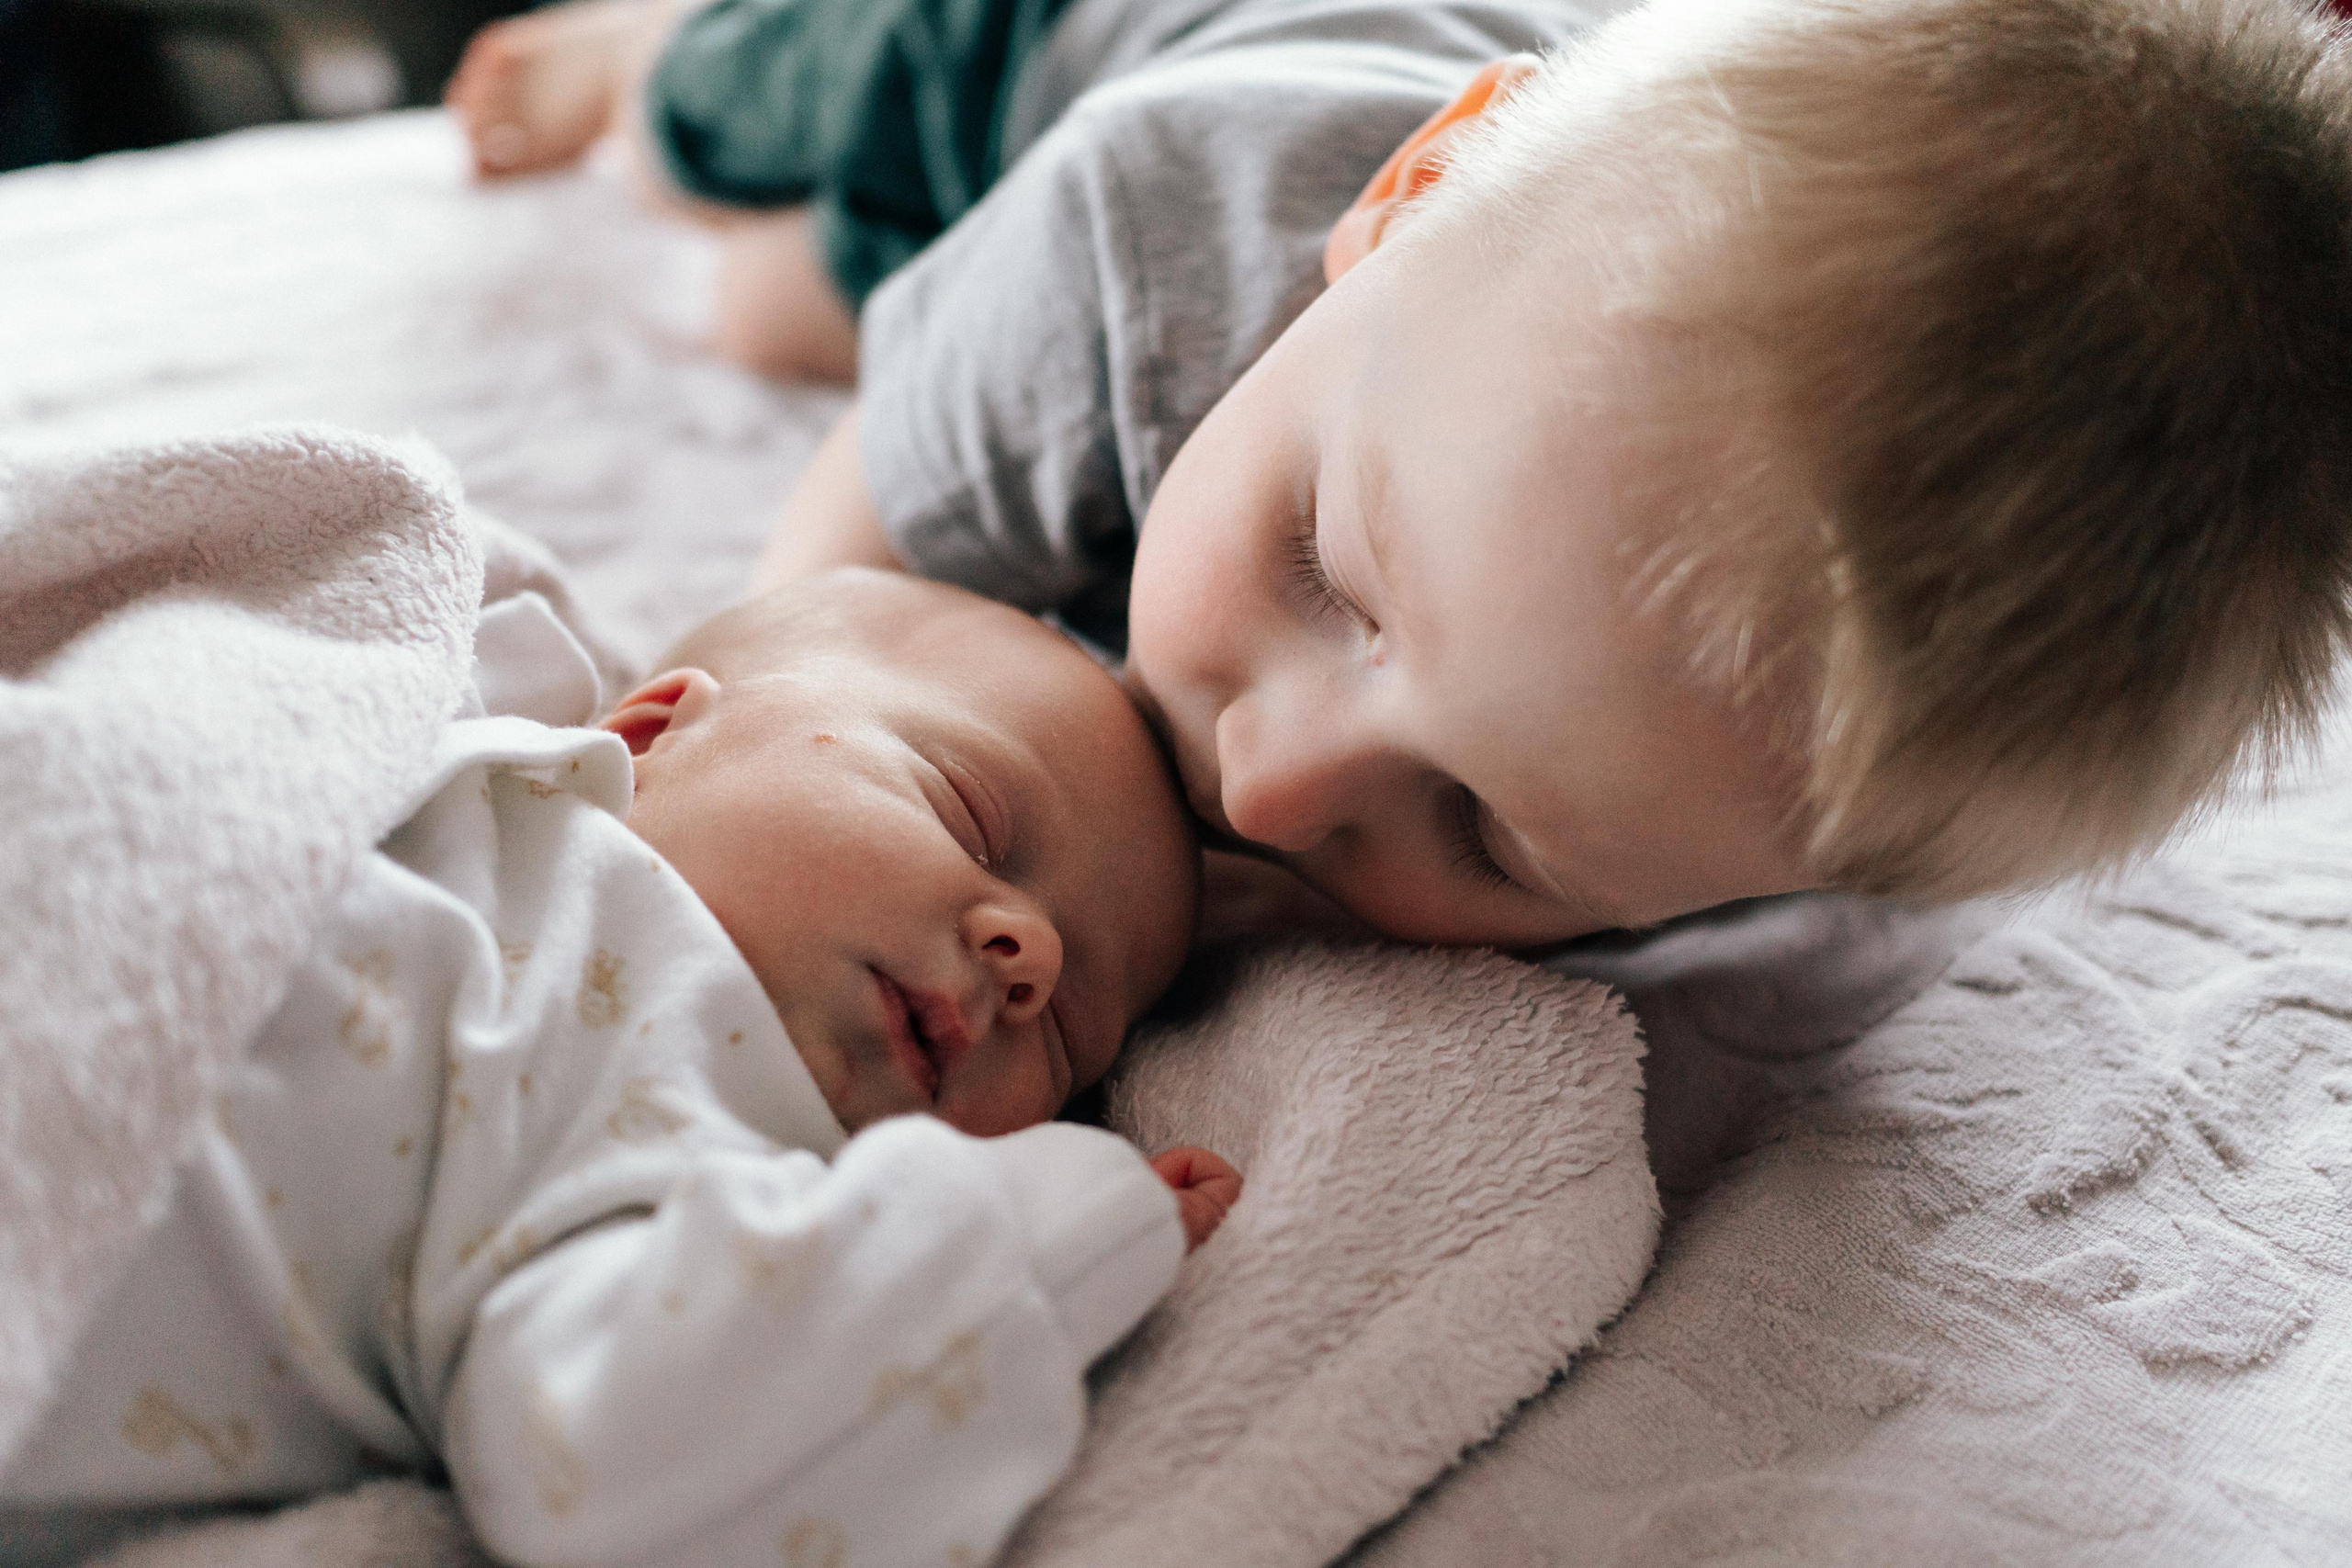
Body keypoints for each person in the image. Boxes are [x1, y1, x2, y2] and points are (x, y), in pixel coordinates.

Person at [448, 0, 2352, 950]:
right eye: (1322, 568)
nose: (1268, 780)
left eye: (1494, 836)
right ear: (1403, 201)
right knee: (747, 209)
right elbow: (826, 617)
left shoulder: (1745, 805)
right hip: (1048, 43)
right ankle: (645, 45)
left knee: (803, 292)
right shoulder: (1151, 233)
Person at [0, 570, 1234, 1568]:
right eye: (968, 812)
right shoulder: (462, 739)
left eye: (1070, 1034)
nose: (1031, 956)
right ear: (649, 728)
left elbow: (597, 1458)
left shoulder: (699, 1172)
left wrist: (1027, 1240)